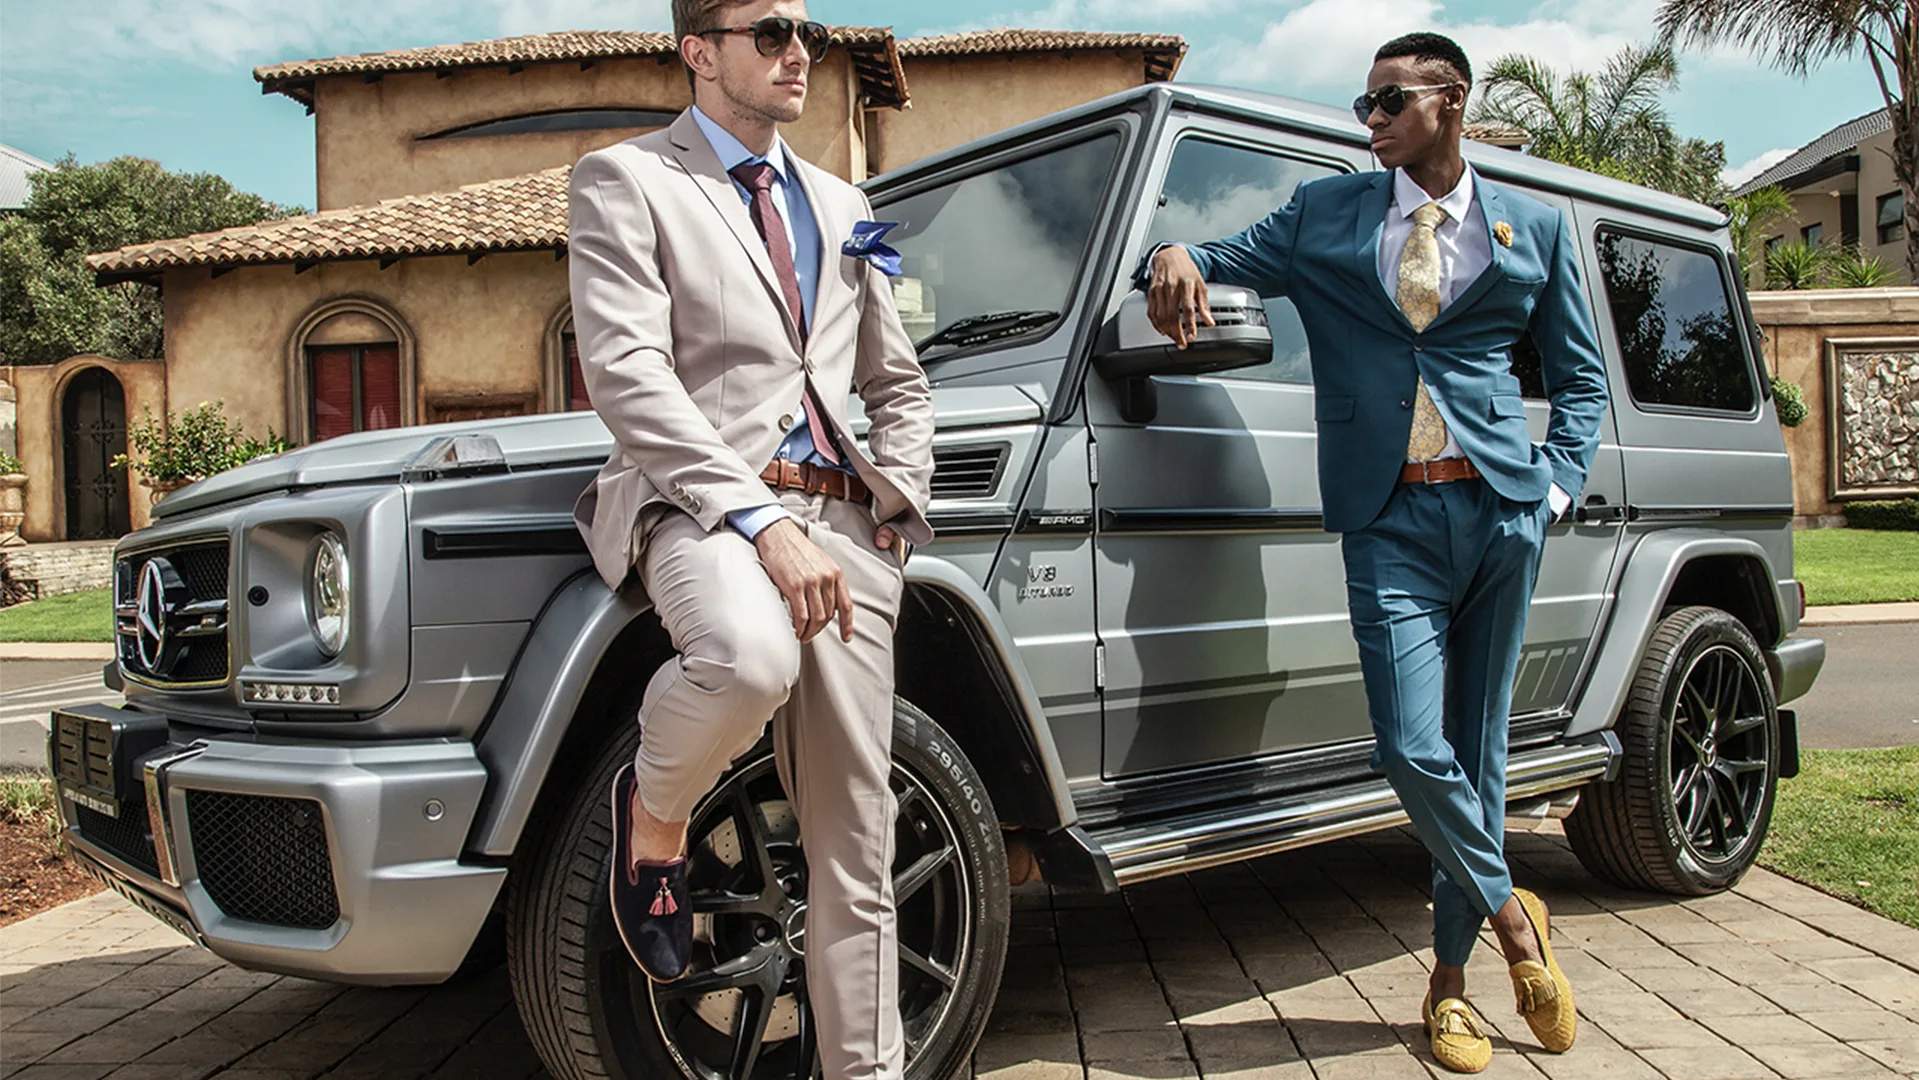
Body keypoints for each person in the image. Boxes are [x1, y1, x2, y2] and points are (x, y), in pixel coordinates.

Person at [1143, 32, 1607, 1074]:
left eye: (1387, 100)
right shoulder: (1325, 215)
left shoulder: (1529, 226)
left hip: (1497, 514)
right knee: (1408, 748)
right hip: (1385, 517)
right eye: (1361, 104)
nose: (1369, 119)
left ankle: (1446, 992)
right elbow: (1211, 258)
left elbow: (1579, 382)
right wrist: (1166, 256)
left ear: (1448, 100)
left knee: (1475, 762)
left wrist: (1552, 488)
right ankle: (1513, 923)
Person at [565, 0, 935, 1075]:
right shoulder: (627, 178)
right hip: (699, 505)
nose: (798, 53)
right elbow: (627, 375)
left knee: (855, 843)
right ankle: (656, 808)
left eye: (807, 34)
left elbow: (891, 377)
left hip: (848, 527)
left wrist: (893, 508)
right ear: (699, 49)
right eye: (770, 30)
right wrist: (762, 521)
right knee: (745, 657)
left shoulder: (842, 200)